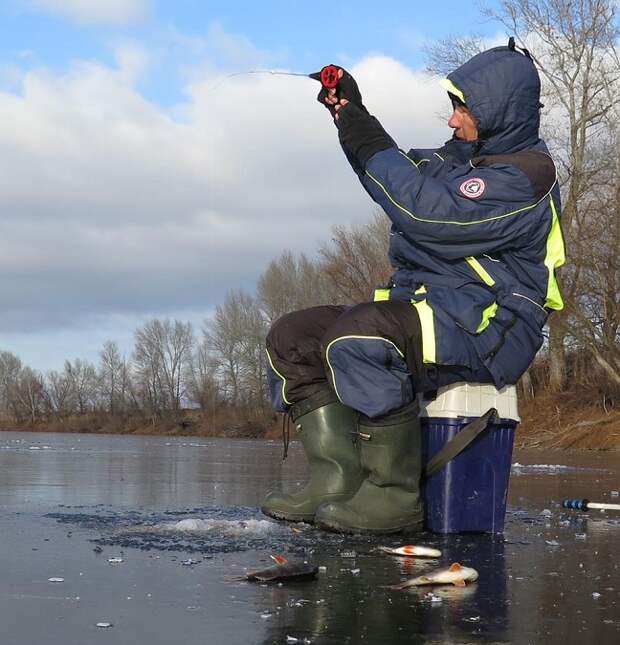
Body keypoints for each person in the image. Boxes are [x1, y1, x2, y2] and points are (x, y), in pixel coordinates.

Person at [261, 39, 565, 534]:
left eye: (462, 108)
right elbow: (395, 173)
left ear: (498, 110)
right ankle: (336, 481)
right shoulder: (459, 163)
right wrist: (351, 115)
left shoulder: (524, 177)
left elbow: (424, 212)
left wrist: (369, 144)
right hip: (436, 309)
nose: (451, 120)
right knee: (292, 336)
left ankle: (392, 496)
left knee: (361, 337)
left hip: (492, 324)